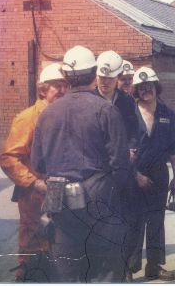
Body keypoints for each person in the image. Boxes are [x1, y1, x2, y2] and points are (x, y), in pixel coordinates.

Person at [31, 45, 132, 282]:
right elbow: (121, 163)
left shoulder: (47, 114)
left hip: (59, 198)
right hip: (100, 197)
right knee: (105, 268)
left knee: (66, 269)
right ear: (94, 73)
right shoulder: (106, 110)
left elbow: (38, 163)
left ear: (66, 76)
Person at [0, 63, 68, 282]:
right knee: (33, 246)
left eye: (65, 85)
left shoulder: (62, 115)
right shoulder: (28, 118)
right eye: (57, 86)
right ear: (42, 90)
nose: (63, 91)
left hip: (58, 193)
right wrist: (34, 182)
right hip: (34, 196)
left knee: (55, 245)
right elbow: (8, 158)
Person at [125, 66, 175, 281]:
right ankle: (129, 267)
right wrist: (135, 174)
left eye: (150, 86)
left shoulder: (168, 114)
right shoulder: (129, 113)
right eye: (141, 87)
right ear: (136, 91)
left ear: (157, 88)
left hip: (159, 173)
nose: (146, 90)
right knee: (134, 220)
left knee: (156, 221)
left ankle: (155, 266)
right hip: (134, 173)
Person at [95, 51, 138, 148]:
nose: (105, 82)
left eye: (110, 78)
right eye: (102, 77)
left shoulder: (127, 101)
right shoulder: (89, 100)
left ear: (117, 77)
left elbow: (134, 129)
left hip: (121, 155)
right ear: (96, 77)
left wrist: (130, 148)